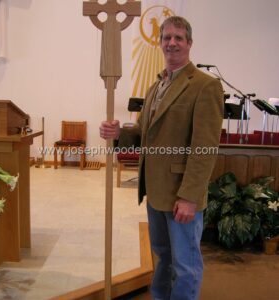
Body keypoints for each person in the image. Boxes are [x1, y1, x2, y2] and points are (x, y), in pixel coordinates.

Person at [100, 16, 224, 300]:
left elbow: (204, 148)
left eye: (179, 37)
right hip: (155, 191)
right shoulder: (155, 86)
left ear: (189, 43)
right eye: (167, 37)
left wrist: (190, 196)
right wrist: (119, 133)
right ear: (160, 43)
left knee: (186, 264)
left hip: (181, 192)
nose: (172, 43)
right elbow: (145, 132)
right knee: (163, 256)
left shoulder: (205, 86)